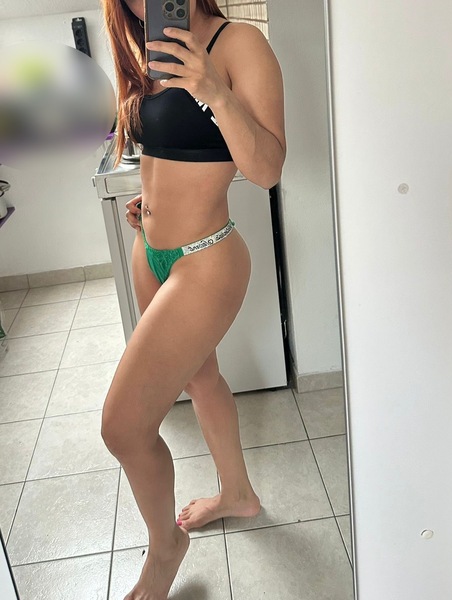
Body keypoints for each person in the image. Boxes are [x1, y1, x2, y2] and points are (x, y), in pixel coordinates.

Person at [100, 1, 286, 598]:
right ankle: (238, 494)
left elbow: (268, 168)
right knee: (201, 379)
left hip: (205, 258)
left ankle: (165, 549)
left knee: (123, 428)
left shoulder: (239, 44)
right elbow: (170, 154)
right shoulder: (150, 52)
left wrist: (212, 89)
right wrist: (150, 202)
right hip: (149, 250)